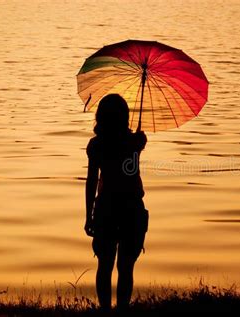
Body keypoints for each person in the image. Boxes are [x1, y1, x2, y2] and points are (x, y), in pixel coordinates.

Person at [84, 94, 148, 313]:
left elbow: (92, 181)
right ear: (125, 117)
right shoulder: (135, 143)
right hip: (131, 208)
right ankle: (122, 309)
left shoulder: (96, 145)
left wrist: (88, 214)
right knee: (126, 267)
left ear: (100, 117)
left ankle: (105, 310)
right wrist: (138, 145)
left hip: (106, 208)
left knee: (105, 265)